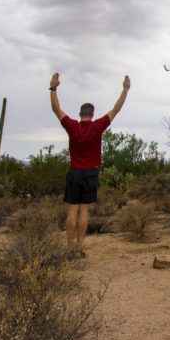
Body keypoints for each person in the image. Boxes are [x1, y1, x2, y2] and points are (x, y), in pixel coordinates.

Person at [50, 72, 130, 257]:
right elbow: (115, 109)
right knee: (84, 210)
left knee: (72, 210)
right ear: (92, 115)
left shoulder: (72, 126)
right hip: (90, 174)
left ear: (80, 114)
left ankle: (70, 247)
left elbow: (56, 109)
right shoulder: (97, 126)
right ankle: (80, 246)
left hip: (74, 172)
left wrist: (53, 88)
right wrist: (125, 90)